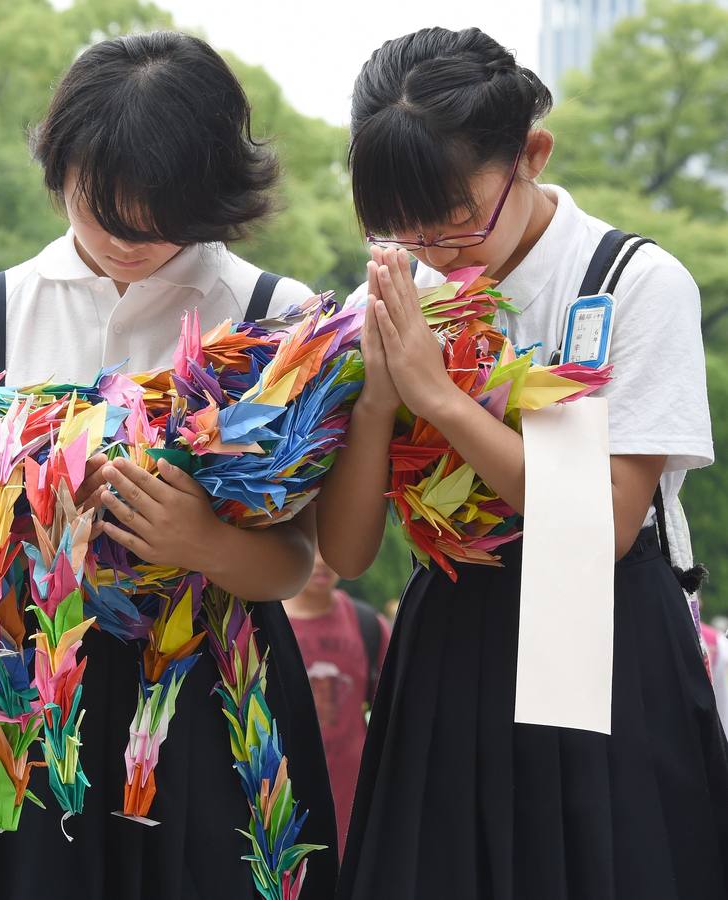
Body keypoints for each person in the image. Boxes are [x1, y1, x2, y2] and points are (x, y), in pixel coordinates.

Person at [0, 31, 338, 900]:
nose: (128, 240)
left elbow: (297, 559)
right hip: (30, 706)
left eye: (161, 219)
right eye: (101, 210)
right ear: (60, 169)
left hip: (217, 702)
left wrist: (199, 540)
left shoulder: (274, 314)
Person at [317, 27, 728, 900]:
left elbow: (607, 525)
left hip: (604, 635)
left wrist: (440, 398)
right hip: (451, 637)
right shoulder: (388, 298)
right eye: (406, 229)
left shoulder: (629, 282)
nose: (437, 253)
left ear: (532, 153)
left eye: (460, 220)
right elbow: (348, 555)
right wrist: (379, 403)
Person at [283, 551, 388, 857]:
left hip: (352, 799)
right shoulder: (268, 629)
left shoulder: (368, 625)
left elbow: (390, 716)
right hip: (281, 802)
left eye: (328, 548)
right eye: (309, 547)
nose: (321, 560)